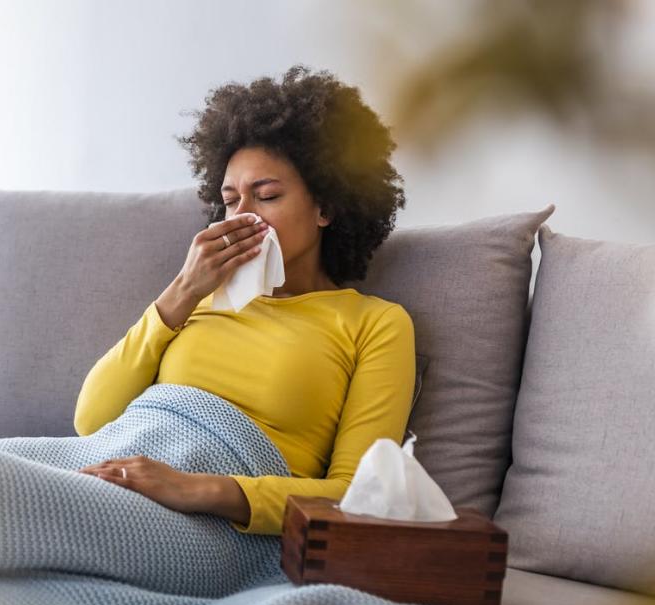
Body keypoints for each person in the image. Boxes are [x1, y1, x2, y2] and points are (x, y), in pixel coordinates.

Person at [75, 65, 415, 536]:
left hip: (207, 523)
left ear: (327, 206)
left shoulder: (374, 323)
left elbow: (359, 494)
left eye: (267, 195)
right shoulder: (197, 296)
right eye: (231, 200)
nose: (244, 216)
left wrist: (197, 489)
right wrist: (184, 289)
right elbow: (91, 421)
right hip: (106, 472)